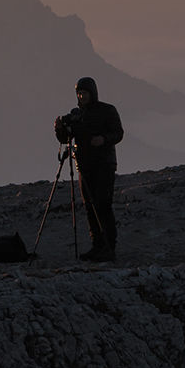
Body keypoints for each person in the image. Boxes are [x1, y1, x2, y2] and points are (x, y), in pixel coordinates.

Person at [59, 75, 126, 262]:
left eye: (84, 93)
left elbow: (118, 133)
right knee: (89, 206)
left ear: (92, 93)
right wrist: (61, 128)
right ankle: (97, 246)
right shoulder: (77, 115)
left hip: (104, 164)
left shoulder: (107, 110)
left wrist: (103, 139)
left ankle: (108, 247)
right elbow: (65, 139)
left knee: (103, 204)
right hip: (84, 166)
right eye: (79, 94)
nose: (81, 97)